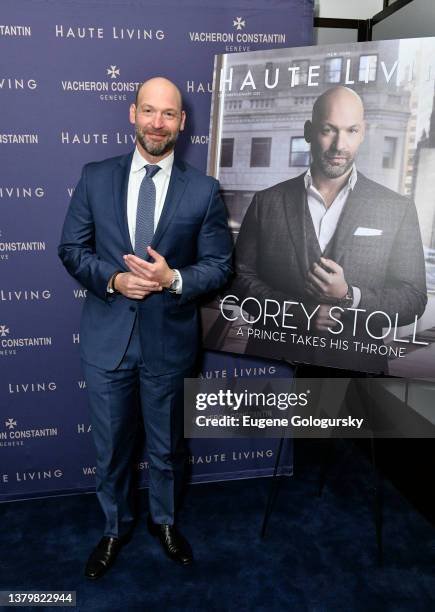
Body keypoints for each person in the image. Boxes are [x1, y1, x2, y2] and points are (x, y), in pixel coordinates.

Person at [58, 77, 232, 578]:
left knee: (166, 448)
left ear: (182, 122)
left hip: (169, 344)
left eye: (169, 114)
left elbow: (219, 265)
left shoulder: (203, 190)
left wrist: (173, 278)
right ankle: (114, 528)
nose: (158, 123)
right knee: (111, 449)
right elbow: (71, 250)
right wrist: (113, 279)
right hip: (107, 341)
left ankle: (165, 522)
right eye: (150, 111)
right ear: (132, 113)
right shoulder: (94, 177)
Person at [231, 85, 427, 373]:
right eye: (328, 130)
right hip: (272, 368)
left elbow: (413, 298)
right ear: (309, 131)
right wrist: (299, 314)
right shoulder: (266, 202)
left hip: (355, 373)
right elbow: (237, 280)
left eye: (351, 131)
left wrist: (350, 296)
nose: (339, 145)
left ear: (363, 132)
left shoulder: (396, 208)